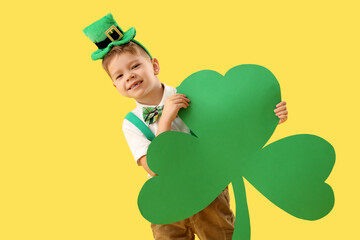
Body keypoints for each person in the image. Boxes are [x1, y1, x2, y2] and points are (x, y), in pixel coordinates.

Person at [83, 13, 288, 240]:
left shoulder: (193, 96)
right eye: (119, 75)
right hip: (166, 201)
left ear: (155, 66)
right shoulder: (131, 124)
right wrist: (166, 120)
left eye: (135, 66)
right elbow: (155, 168)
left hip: (209, 189)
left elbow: (229, 127)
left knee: (220, 235)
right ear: (115, 87)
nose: (129, 77)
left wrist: (268, 117)